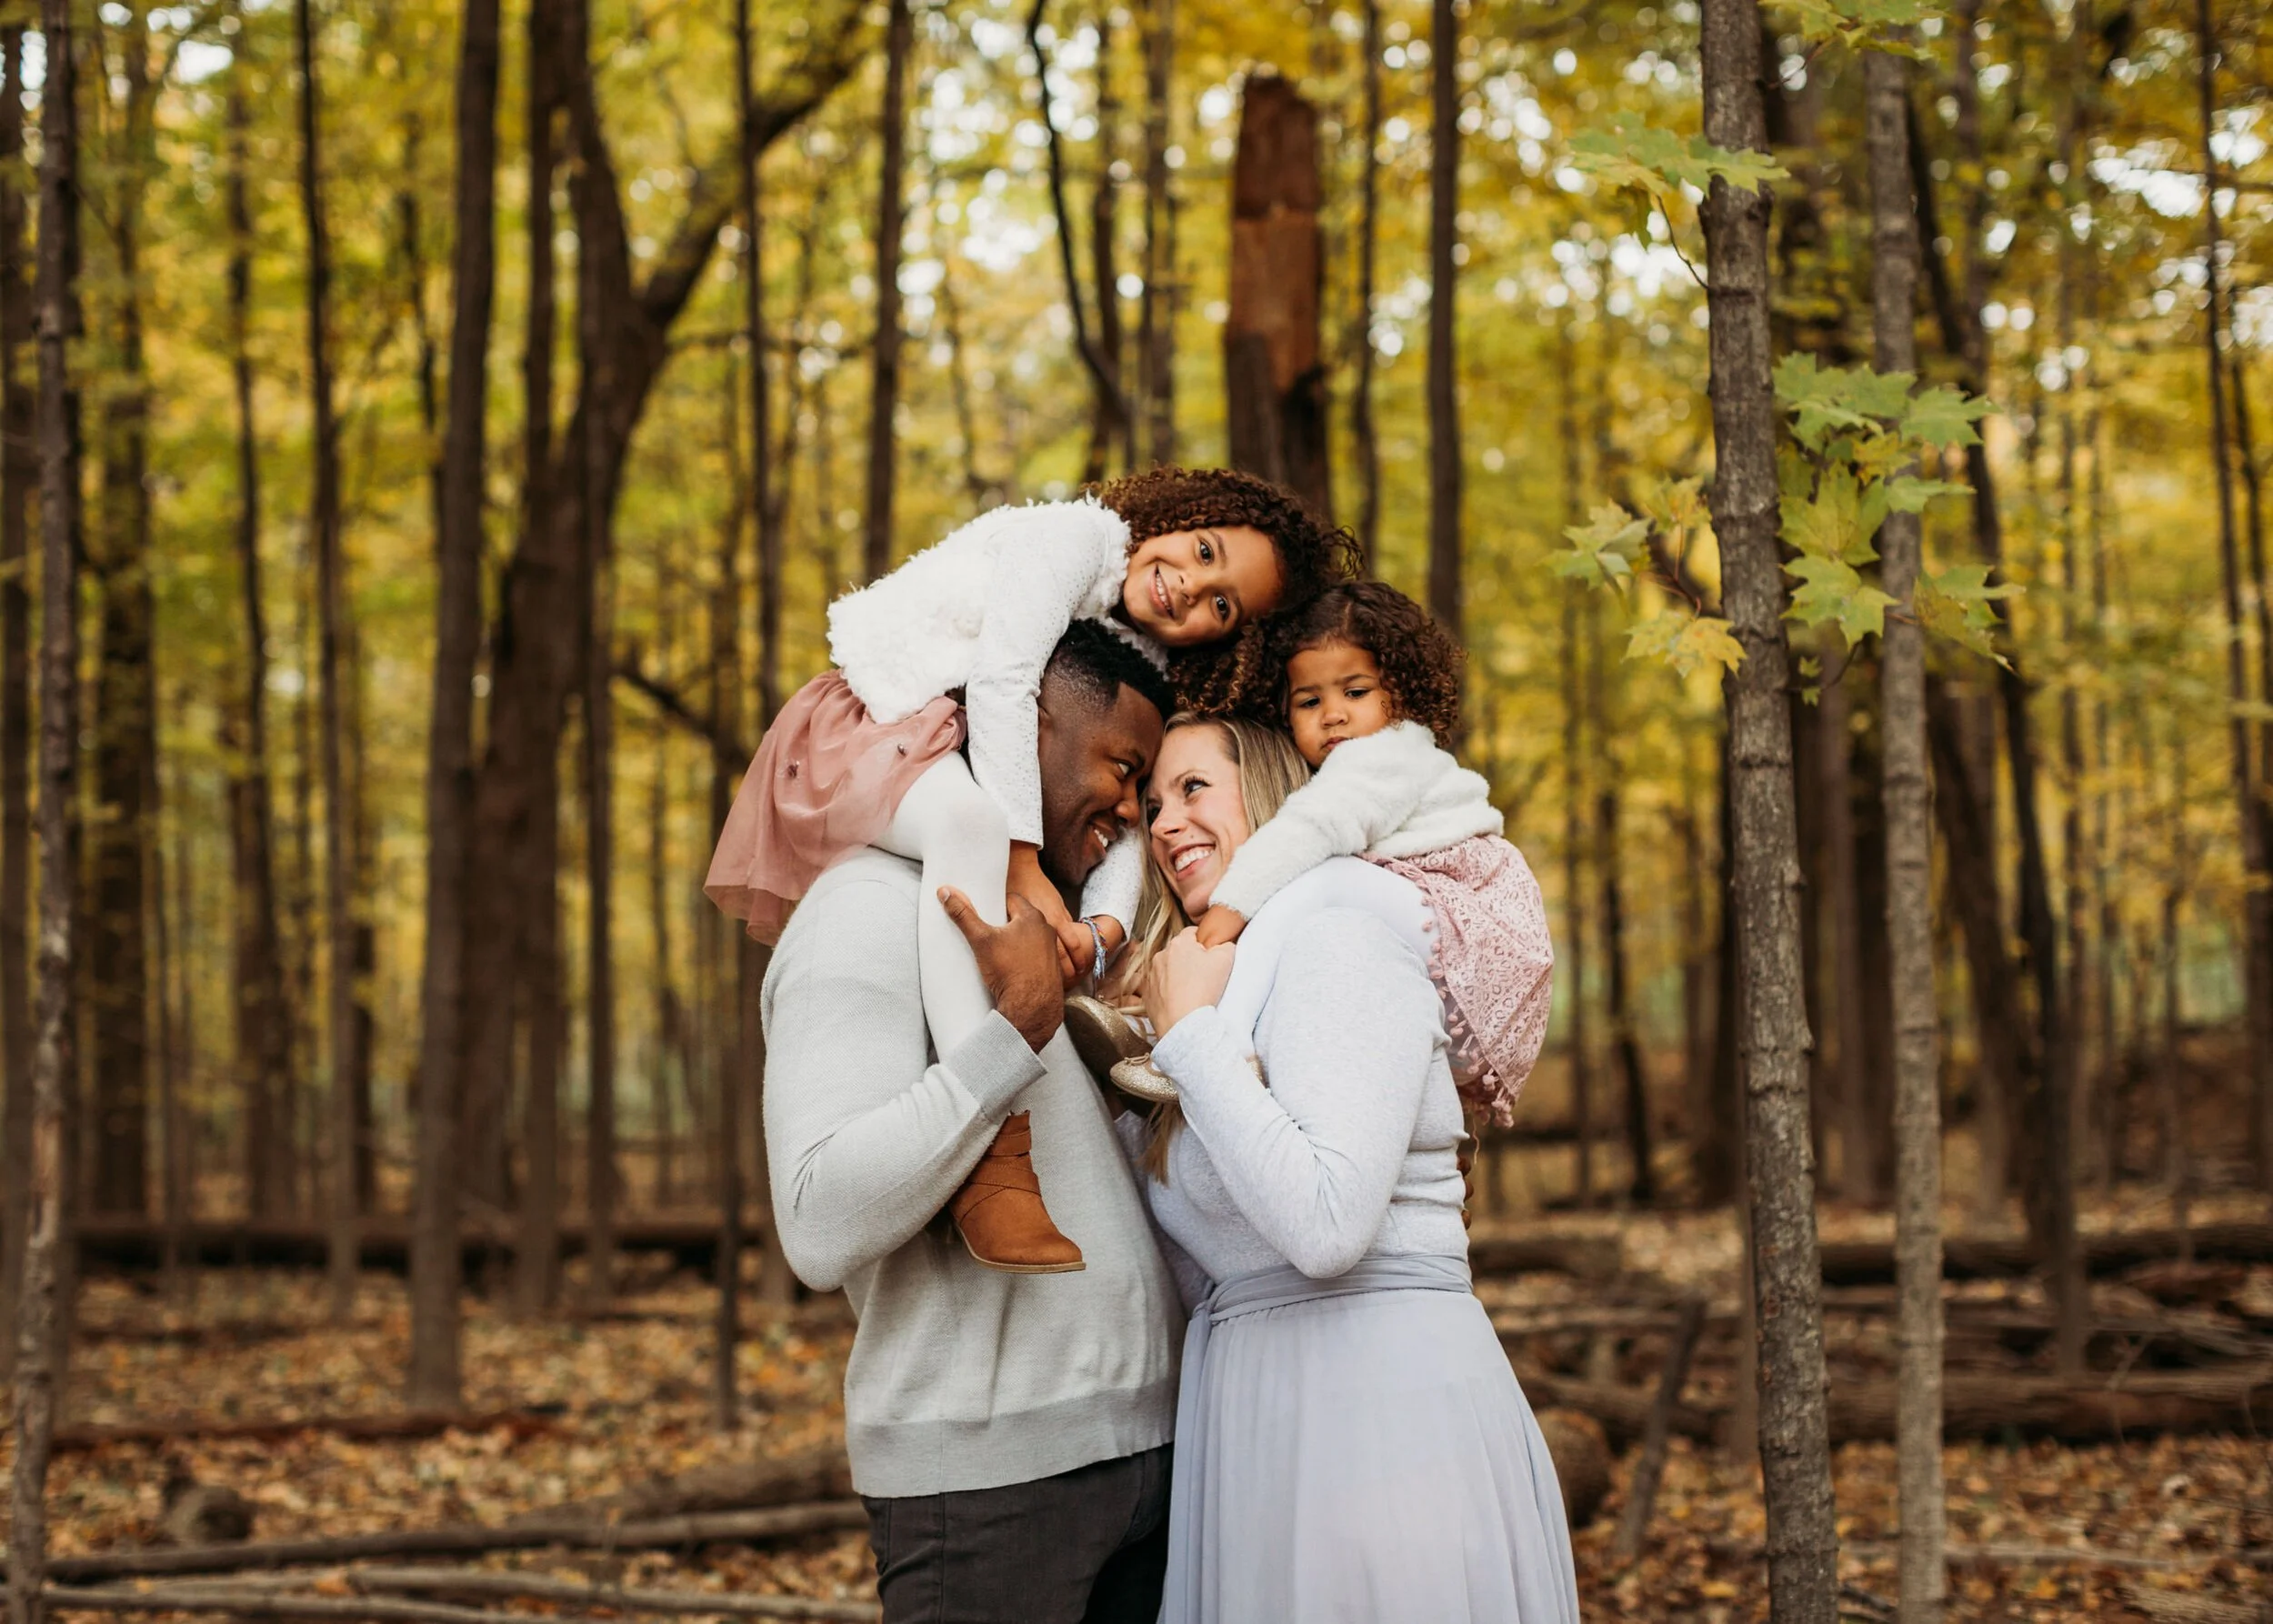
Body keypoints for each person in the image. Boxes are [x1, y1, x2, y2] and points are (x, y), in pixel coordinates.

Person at [709, 468, 1357, 1271]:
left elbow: (1126, 820)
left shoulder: (1127, 644)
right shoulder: (1075, 541)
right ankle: (995, 1154)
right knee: (971, 824)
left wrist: (1101, 928)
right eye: (1203, 551)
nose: (1194, 587)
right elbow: (1005, 681)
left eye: (1222, 605)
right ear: (1181, 516)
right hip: (872, 723)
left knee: (986, 827)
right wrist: (1022, 868)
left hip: (942, 741)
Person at [760, 623, 1186, 1624]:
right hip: (993, 1490)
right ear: (1021, 727)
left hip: (1145, 1457)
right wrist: (1010, 1036)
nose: (1133, 809)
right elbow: (818, 1220)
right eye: (1122, 768)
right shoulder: (865, 909)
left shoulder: (1036, 922)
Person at [1116, 713, 1578, 1624]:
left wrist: (1191, 1037)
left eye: (1194, 788)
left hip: (1377, 1422)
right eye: (1152, 804)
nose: (1165, 823)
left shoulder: (1340, 937)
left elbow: (1328, 1226)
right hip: (1255, 1426)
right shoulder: (1216, 989)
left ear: (1273, 798)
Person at [1117, 581, 1553, 1132]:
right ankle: (1173, 1027)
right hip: (1454, 974)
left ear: (1402, 693)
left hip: (1469, 928)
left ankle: (1214, 1037)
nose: (1333, 716)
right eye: (1309, 701)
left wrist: (1224, 919)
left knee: (1311, 885)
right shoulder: (1353, 769)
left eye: (1355, 692)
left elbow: (1305, 832)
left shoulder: (1386, 754)